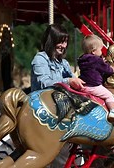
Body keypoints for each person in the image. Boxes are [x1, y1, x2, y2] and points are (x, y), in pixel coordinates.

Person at [31, 24, 85, 168]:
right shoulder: (40, 59)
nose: (63, 45)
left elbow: (74, 80)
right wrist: (68, 81)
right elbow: (44, 82)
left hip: (60, 108)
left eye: (65, 41)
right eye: (60, 41)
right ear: (51, 40)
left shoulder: (64, 63)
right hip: (43, 108)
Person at [78, 34, 114, 120]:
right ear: (93, 51)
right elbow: (106, 69)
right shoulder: (96, 60)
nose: (101, 52)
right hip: (93, 85)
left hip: (84, 85)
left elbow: (93, 67)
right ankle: (113, 112)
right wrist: (111, 69)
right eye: (100, 49)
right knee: (109, 95)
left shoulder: (83, 59)